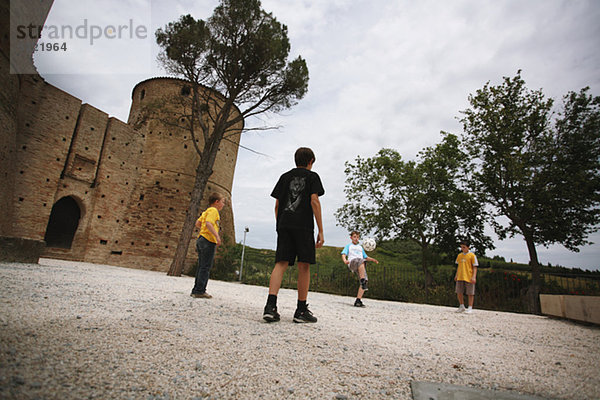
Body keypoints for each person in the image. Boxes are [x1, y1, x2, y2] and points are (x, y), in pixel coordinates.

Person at [262, 147, 325, 323]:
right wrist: (320, 229)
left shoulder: (284, 177)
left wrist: (279, 224)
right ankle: (301, 310)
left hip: (284, 224)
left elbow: (277, 205)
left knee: (280, 263)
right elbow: (314, 201)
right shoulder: (312, 177)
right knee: (304, 265)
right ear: (311, 161)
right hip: (303, 225)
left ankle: (270, 306)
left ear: (295, 160)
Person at [190, 192, 226, 299]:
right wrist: (217, 236)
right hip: (208, 241)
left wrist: (204, 231)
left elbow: (198, 223)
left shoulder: (206, 211)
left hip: (201, 239)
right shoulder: (214, 211)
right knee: (205, 267)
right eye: (222, 202)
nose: (223, 205)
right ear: (217, 202)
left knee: (201, 266)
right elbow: (209, 223)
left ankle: (196, 289)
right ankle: (200, 291)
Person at [341, 231, 379, 307]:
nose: (356, 238)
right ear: (351, 238)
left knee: (365, 280)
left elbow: (365, 257)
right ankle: (362, 281)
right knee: (361, 261)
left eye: (358, 237)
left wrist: (373, 260)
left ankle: (358, 300)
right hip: (352, 262)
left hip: (360, 264)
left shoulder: (360, 247)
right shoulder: (349, 246)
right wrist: (345, 260)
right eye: (354, 237)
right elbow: (343, 254)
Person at [454, 240, 478, 313]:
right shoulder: (459, 255)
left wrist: (474, 276)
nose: (462, 249)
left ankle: (470, 307)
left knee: (470, 293)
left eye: (464, 247)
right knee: (459, 291)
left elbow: (475, 267)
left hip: (469, 276)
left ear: (468, 247)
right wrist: (456, 275)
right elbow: (458, 266)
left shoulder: (472, 256)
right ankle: (461, 306)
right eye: (461, 247)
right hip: (460, 276)